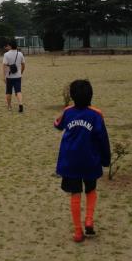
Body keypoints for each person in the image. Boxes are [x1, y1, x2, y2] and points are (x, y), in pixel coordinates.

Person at [54, 79, 111, 243]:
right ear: (91, 95)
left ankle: (78, 231)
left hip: (70, 161)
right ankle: (89, 220)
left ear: (72, 96)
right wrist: (106, 159)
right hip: (90, 160)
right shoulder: (96, 114)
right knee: (91, 189)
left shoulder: (68, 112)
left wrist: (62, 116)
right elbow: (103, 139)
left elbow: (57, 124)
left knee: (75, 193)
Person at [2, 40, 25, 112]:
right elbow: (23, 65)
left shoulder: (6, 54)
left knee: (8, 92)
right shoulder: (20, 54)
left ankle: (9, 106)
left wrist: (4, 76)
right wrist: (21, 73)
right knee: (18, 91)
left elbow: (4, 66)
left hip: (9, 76)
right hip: (18, 76)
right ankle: (20, 104)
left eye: (8, 45)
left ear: (10, 46)